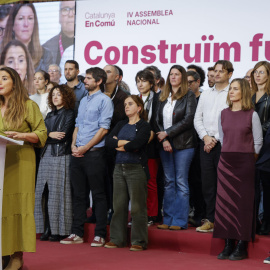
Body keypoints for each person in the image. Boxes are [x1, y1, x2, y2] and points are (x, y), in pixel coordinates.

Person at [60, 67, 113, 247]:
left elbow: (104, 129)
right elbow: (77, 126)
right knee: (78, 195)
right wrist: (74, 146)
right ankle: (77, 233)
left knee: (98, 194)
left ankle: (100, 234)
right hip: (77, 153)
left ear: (99, 81)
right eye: (86, 78)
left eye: (89, 79)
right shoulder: (82, 101)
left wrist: (85, 147)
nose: (85, 81)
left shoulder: (105, 101)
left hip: (95, 153)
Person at [0, 66, 47, 269]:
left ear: (15, 82)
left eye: (3, 78)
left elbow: (42, 134)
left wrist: (23, 135)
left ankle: (17, 255)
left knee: (17, 206)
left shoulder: (28, 105)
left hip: (20, 162)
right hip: (1, 162)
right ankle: (2, 253)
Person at [213, 78, 263, 261]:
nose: (231, 92)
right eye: (230, 89)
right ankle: (228, 243)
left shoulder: (252, 114)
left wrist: (248, 158)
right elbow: (222, 138)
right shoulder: (223, 113)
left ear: (243, 91)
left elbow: (258, 142)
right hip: (226, 162)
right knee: (225, 204)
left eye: (235, 89)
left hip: (245, 162)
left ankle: (241, 244)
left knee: (242, 204)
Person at [104, 95, 151, 251]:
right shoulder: (121, 124)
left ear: (139, 107)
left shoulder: (144, 126)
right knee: (118, 206)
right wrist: (125, 143)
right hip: (119, 168)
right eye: (125, 104)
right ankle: (117, 239)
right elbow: (109, 142)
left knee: (137, 207)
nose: (126, 106)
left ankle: (139, 241)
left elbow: (137, 144)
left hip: (136, 168)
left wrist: (122, 143)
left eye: (130, 104)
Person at [194, 60, 233, 233]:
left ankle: (224, 220)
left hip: (224, 144)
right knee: (208, 184)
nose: (217, 74)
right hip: (206, 143)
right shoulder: (205, 94)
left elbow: (231, 120)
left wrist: (214, 139)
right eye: (215, 71)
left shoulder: (232, 93)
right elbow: (197, 119)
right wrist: (205, 137)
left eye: (221, 71)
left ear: (229, 74)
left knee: (224, 184)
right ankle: (210, 219)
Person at [156, 65, 197, 230]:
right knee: (168, 182)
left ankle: (180, 220)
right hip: (165, 144)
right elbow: (157, 121)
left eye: (177, 74)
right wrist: (163, 139)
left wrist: (167, 133)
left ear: (183, 77)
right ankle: (168, 219)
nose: (173, 77)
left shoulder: (189, 95)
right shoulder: (162, 96)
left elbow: (188, 120)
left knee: (180, 181)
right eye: (171, 74)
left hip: (184, 144)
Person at [34, 84, 76, 242]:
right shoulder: (49, 115)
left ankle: (58, 230)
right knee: (43, 193)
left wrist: (46, 135)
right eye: (53, 95)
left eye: (59, 94)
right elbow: (41, 135)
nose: (55, 97)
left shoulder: (70, 113)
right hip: (45, 156)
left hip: (60, 155)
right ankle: (47, 228)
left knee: (58, 194)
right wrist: (48, 134)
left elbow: (63, 136)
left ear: (66, 96)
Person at [136, 69, 159, 225]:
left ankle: (152, 215)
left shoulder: (158, 99)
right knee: (136, 183)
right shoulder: (133, 99)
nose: (140, 84)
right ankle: (138, 215)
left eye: (143, 81)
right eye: (138, 81)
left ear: (151, 83)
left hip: (152, 146)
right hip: (135, 147)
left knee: (150, 182)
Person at [2, 3, 53, 72]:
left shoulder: (46, 55)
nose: (26, 24)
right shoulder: (1, 51)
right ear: (12, 25)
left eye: (30, 18)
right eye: (21, 18)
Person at [251, 61, 270, 235]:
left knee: (266, 185)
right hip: (250, 145)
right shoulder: (249, 95)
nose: (258, 75)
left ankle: (266, 222)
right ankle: (254, 221)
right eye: (256, 72)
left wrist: (256, 131)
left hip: (266, 146)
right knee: (252, 185)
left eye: (262, 72)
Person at [187, 70, 205, 227]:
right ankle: (193, 210)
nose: (187, 85)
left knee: (200, 181)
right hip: (186, 144)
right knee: (190, 180)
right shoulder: (182, 98)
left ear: (198, 82)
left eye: (190, 82)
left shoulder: (203, 98)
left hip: (201, 144)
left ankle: (202, 213)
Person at [43, 1, 75, 66]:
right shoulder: (46, 48)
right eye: (65, 9)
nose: (70, 14)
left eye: (74, 9)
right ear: (59, 16)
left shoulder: (89, 43)